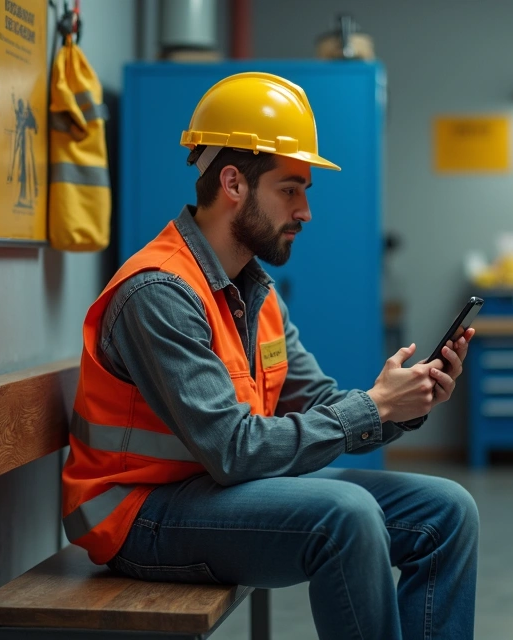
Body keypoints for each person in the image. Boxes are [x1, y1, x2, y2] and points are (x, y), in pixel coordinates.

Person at [61, 72, 479, 639]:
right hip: (139, 515)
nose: (305, 210)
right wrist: (374, 408)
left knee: (447, 510)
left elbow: (320, 403)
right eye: (290, 189)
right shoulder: (158, 292)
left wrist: (403, 403)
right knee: (345, 518)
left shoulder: (255, 293)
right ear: (233, 182)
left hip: (216, 493)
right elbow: (233, 451)